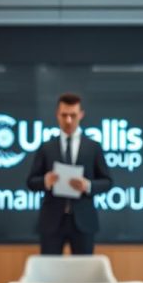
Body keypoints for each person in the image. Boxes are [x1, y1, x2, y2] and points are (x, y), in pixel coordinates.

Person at [27, 93, 113, 255]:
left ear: (81, 115)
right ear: (57, 114)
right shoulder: (46, 147)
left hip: (83, 220)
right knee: (49, 272)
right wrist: (46, 181)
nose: (68, 120)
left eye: (73, 115)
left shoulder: (93, 147)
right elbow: (31, 182)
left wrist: (88, 185)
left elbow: (107, 181)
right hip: (52, 221)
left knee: (84, 273)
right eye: (64, 115)